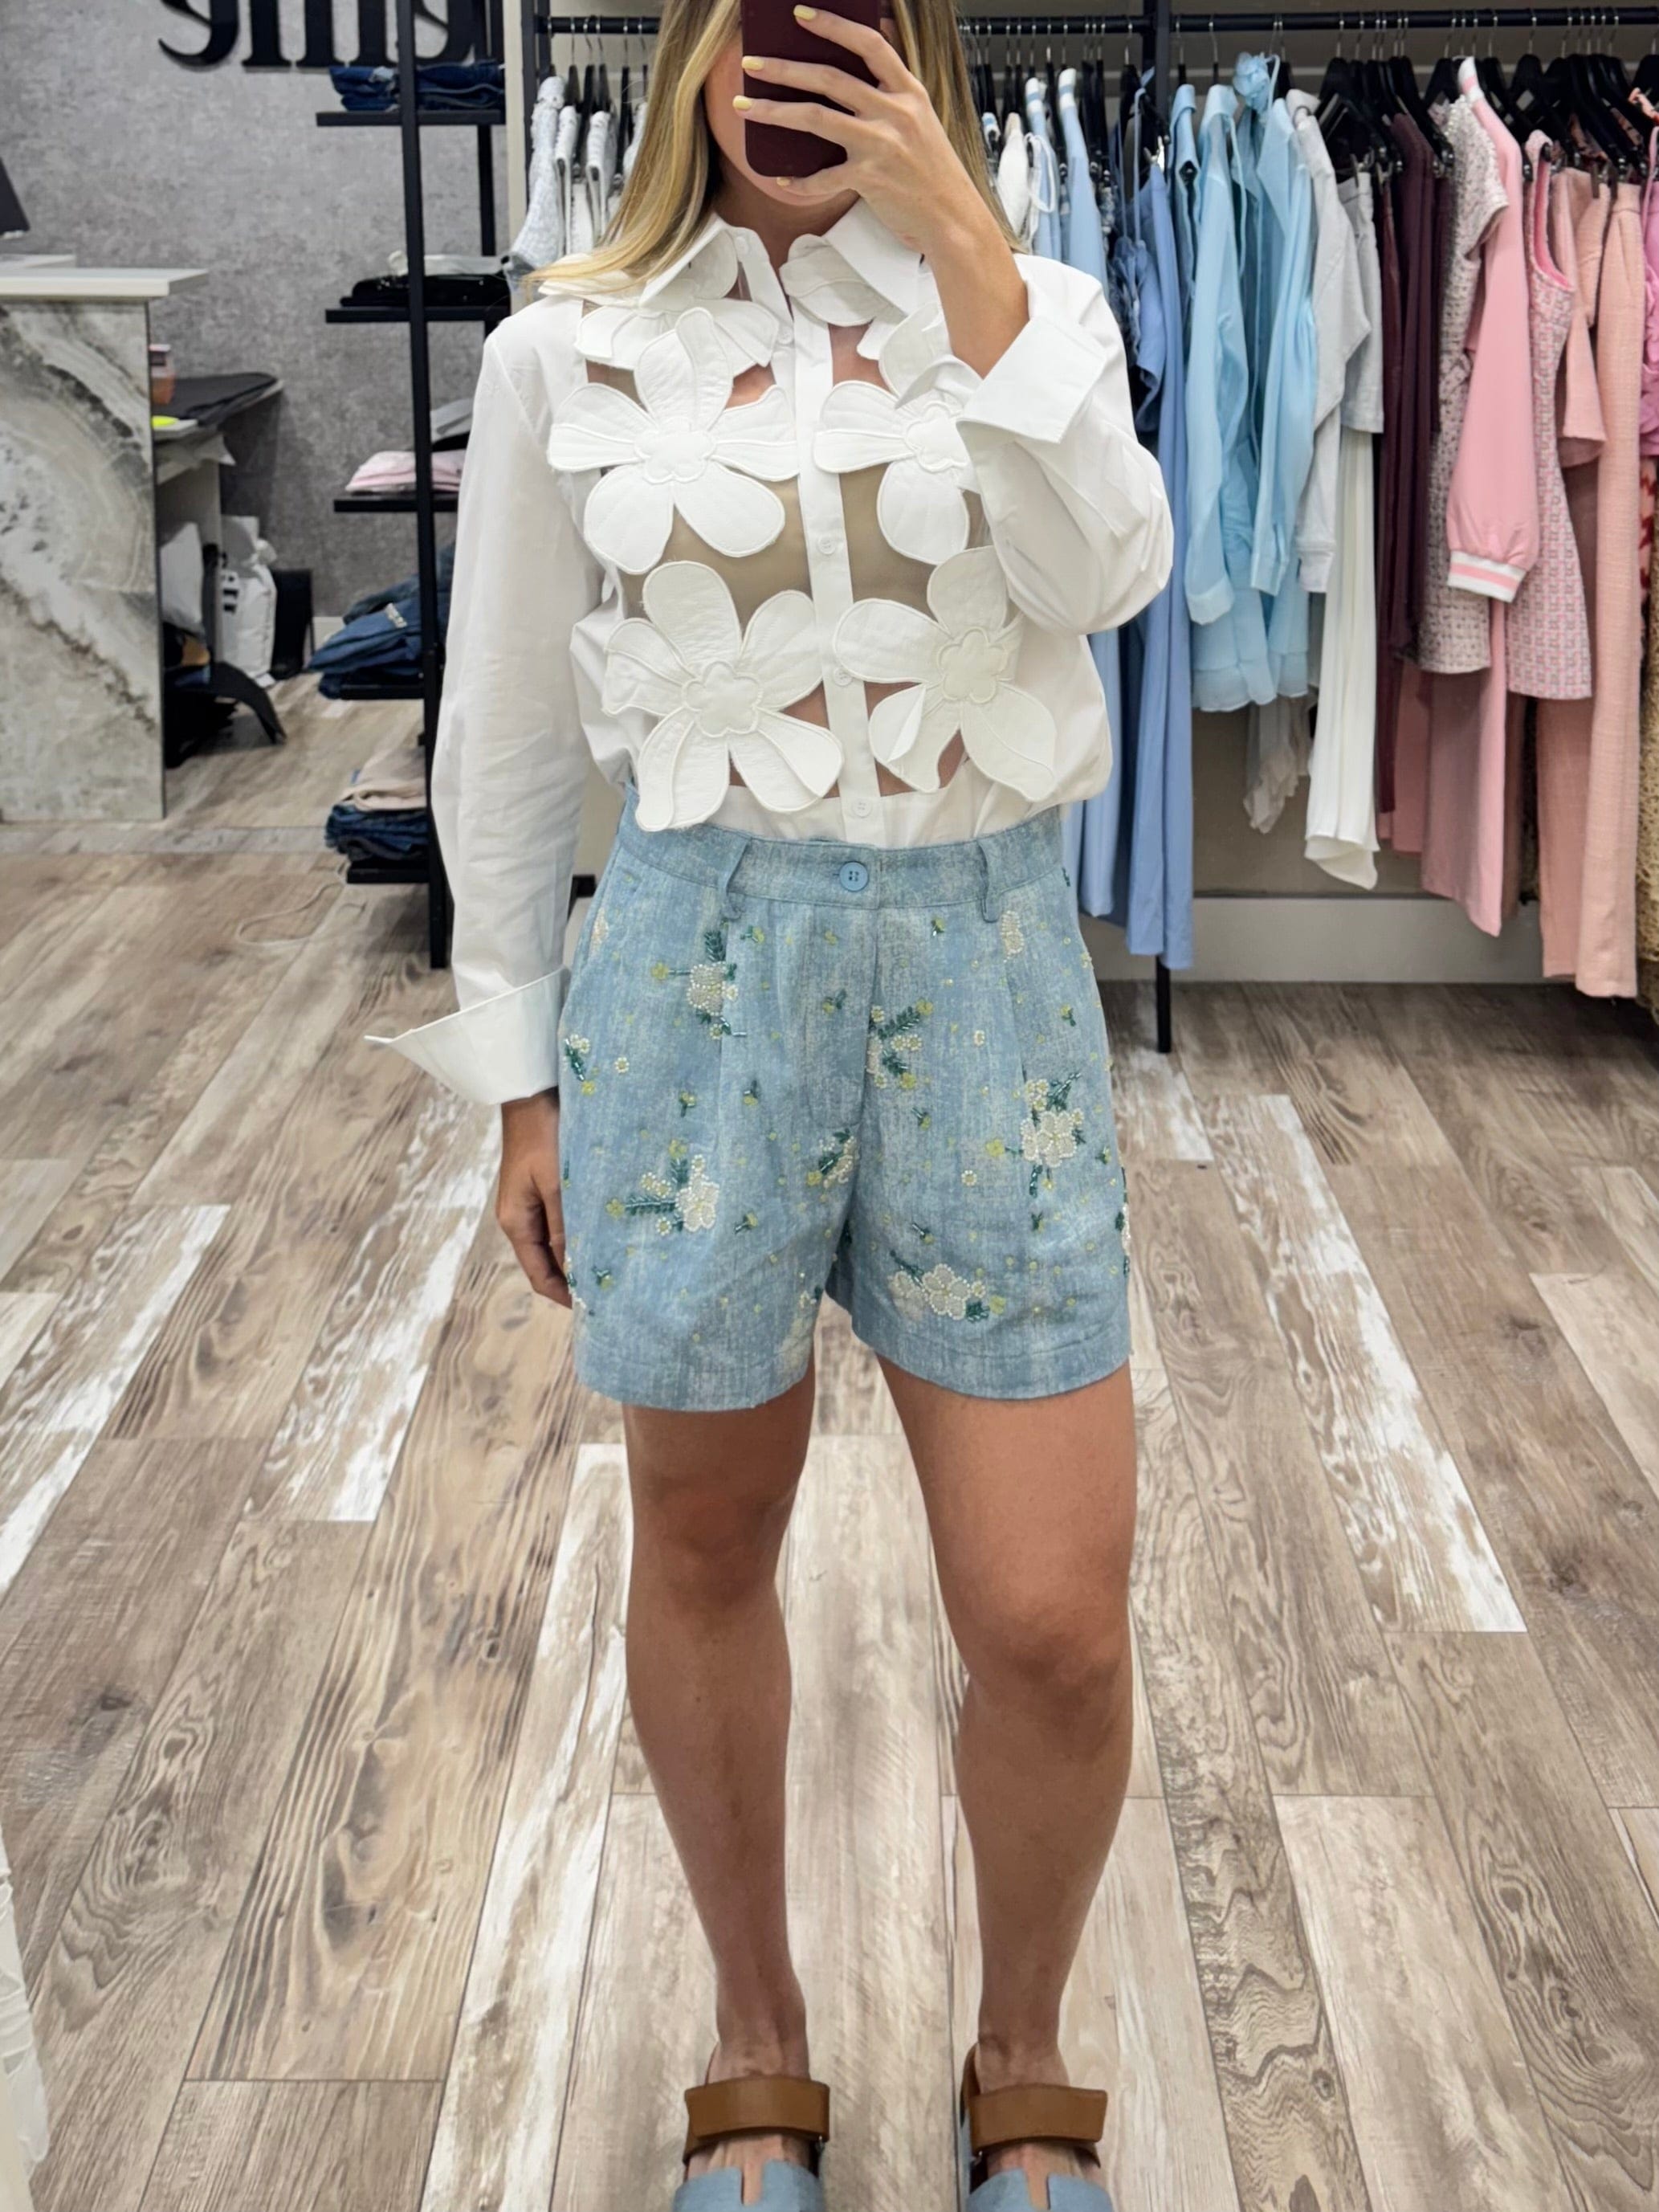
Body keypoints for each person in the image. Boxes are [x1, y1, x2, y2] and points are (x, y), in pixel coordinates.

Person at [374, 2, 1172, 2204]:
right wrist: (517, 1076)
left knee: (1050, 1620)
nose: (794, 66)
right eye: (760, 19)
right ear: (695, 52)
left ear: (913, 53)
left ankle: (1024, 2060)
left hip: (985, 964)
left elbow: (1110, 575)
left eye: (851, 26)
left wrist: (969, 260)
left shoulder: (1041, 312)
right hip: (692, 974)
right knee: (706, 1535)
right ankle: (754, 2050)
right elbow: (502, 732)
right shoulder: (565, 349)